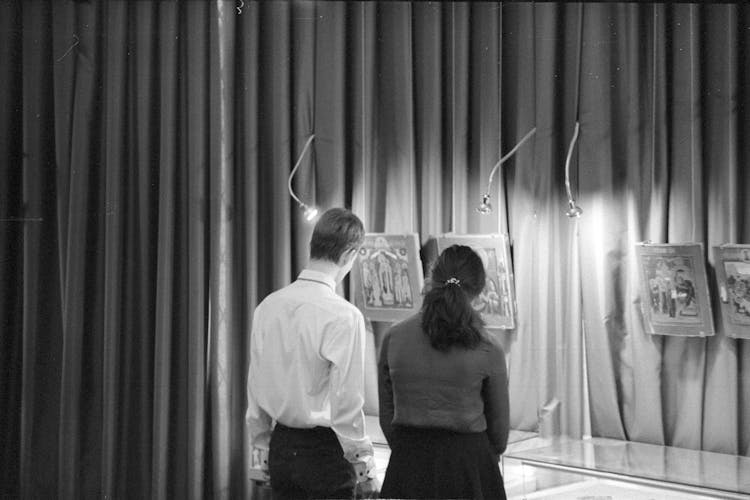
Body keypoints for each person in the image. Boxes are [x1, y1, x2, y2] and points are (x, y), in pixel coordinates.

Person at [246, 208, 375, 500]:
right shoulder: (344, 316)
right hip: (324, 453)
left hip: (280, 448)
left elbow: (256, 387)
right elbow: (347, 404)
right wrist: (364, 468)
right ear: (349, 255)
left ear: (313, 246)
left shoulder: (268, 306)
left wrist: (262, 450)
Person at [378, 244, 510, 499]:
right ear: (479, 291)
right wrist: (477, 458)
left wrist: (410, 449)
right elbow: (499, 433)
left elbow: (387, 413)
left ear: (432, 279)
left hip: (408, 465)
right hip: (468, 468)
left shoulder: (393, 337)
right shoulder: (488, 346)